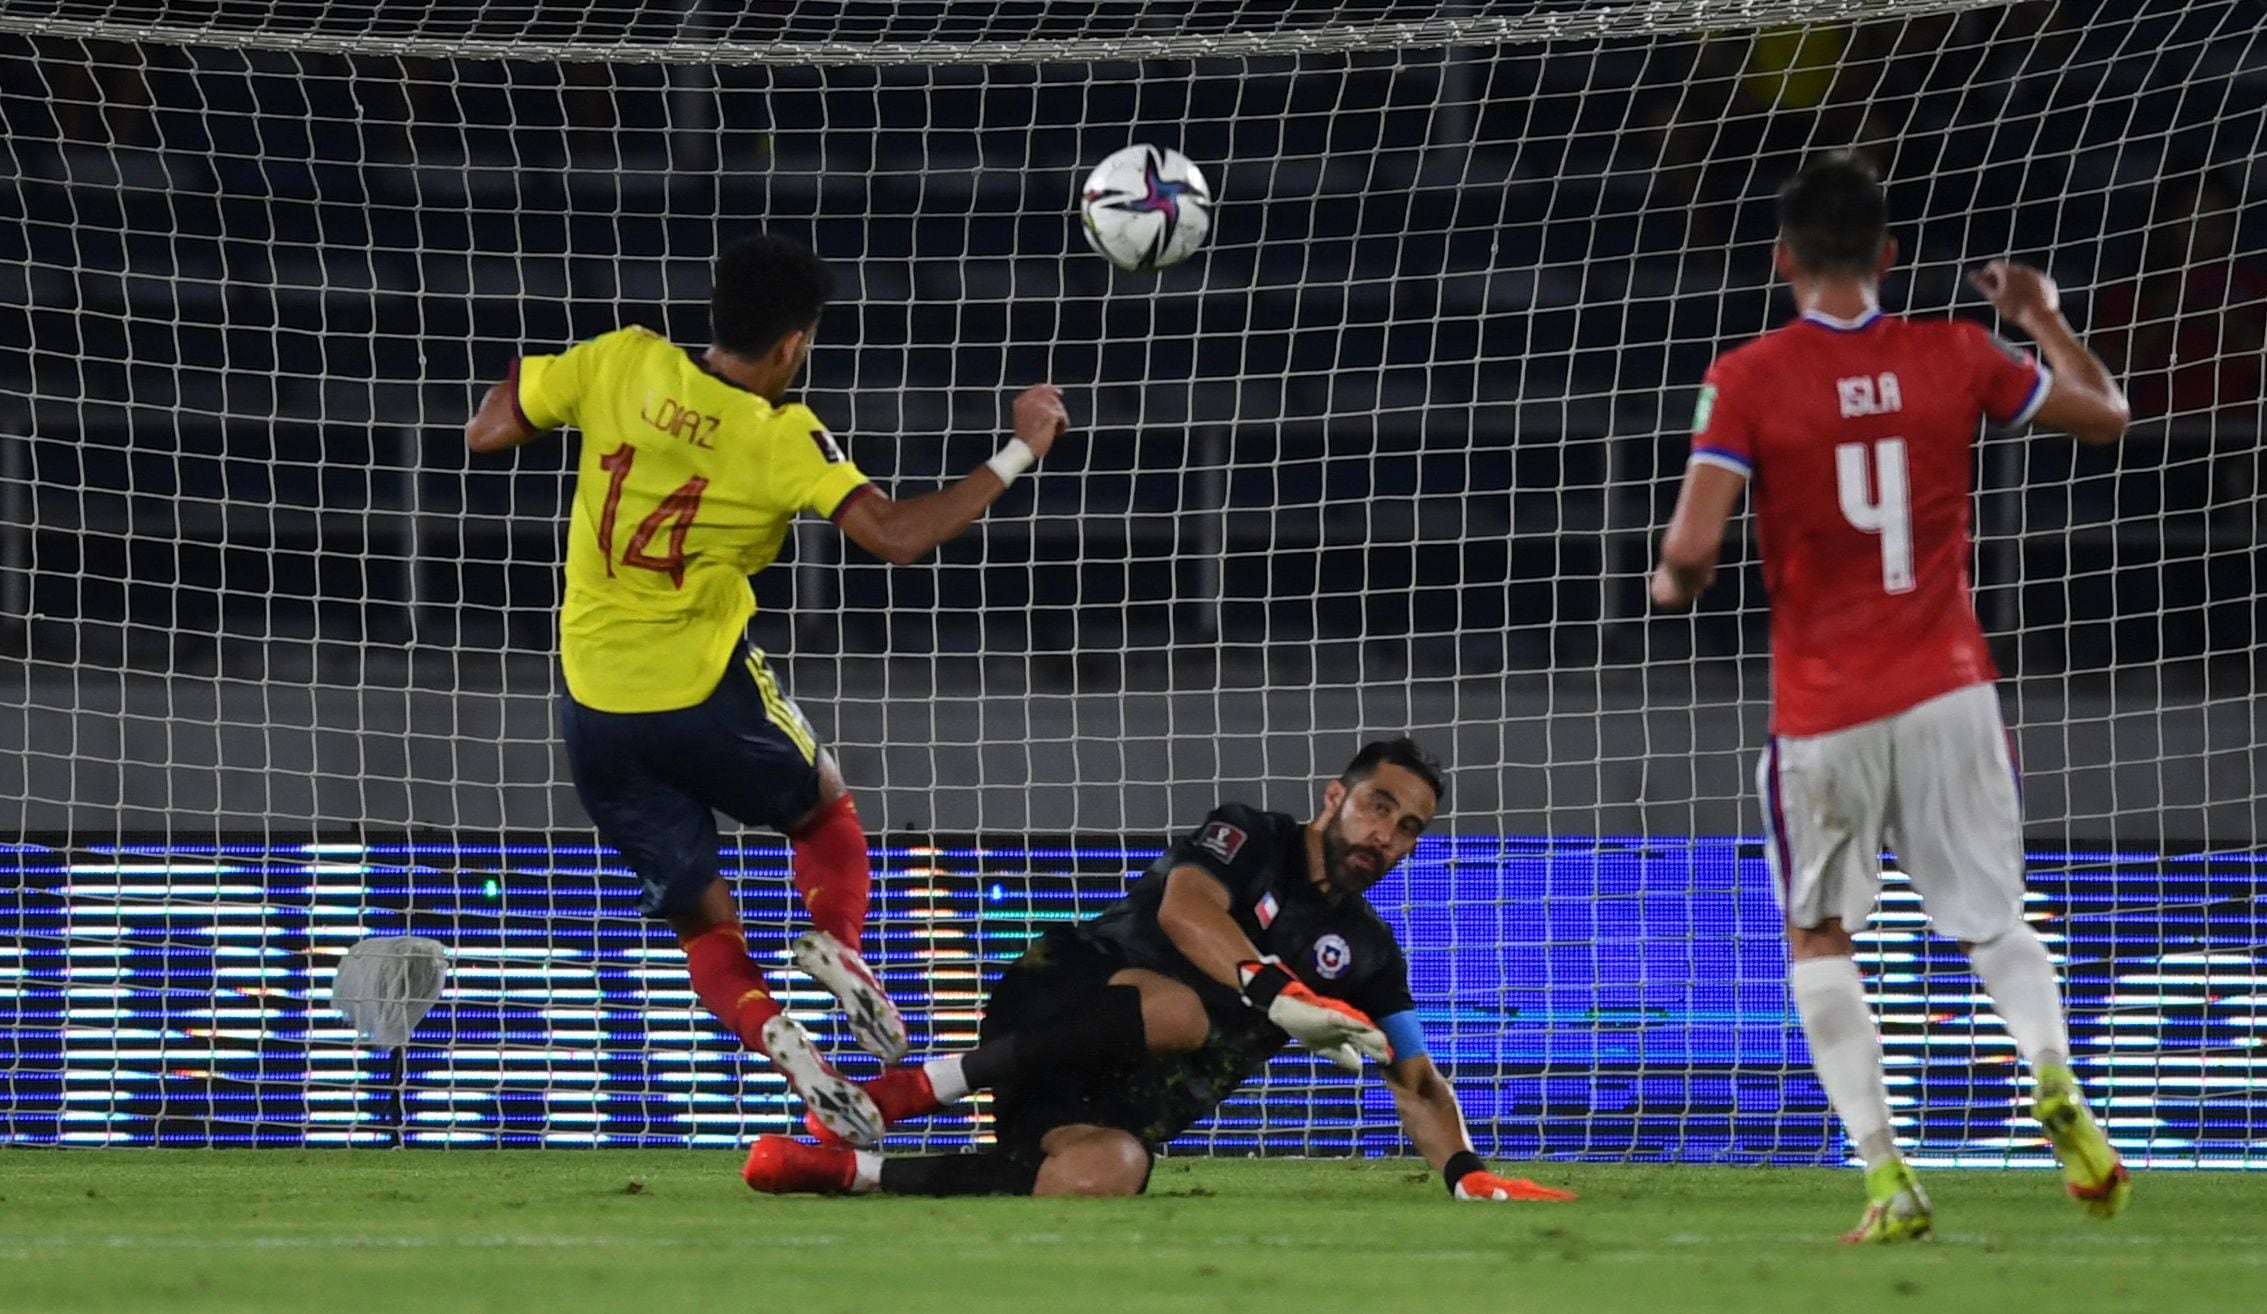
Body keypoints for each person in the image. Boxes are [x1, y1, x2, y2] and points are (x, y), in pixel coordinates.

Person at [462, 233, 1071, 1145]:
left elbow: (488, 429)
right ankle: (840, 947)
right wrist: (1021, 451)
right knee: (825, 813)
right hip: (703, 691)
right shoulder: (783, 436)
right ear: (792, 344)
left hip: (593, 708)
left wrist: (567, 399)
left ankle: (779, 1039)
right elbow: (896, 537)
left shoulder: (622, 358)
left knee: (701, 921)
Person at [1649, 154, 2132, 1243]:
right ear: (1888, 255)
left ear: (1781, 259)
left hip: (1823, 709)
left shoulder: (1748, 376)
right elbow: (2106, 414)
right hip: (1950, 689)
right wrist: (2042, 317)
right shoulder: (1954, 353)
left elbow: (1688, 547)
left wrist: (1670, 584)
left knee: (1819, 932)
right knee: (1993, 920)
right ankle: (2053, 1077)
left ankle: (1886, 1179)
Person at [739, 738, 1577, 1204]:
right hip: (1057, 1000)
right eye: (1377, 807)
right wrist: (1278, 994)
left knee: (1108, 1174)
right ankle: (907, 1093)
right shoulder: (1251, 833)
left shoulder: (1367, 952)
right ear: (1334, 797)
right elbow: (1184, 910)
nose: (1385, 835)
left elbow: (1414, 1073)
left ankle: (848, 1172)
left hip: (1111, 1094)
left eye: (1408, 829)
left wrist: (1468, 1173)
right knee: (1184, 1011)